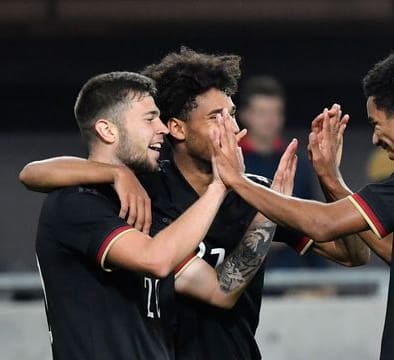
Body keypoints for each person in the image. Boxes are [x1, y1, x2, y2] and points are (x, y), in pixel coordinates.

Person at [20, 47, 369, 360]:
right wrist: (115, 174)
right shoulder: (146, 192)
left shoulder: (255, 193)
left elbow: (352, 254)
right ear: (178, 129)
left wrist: (329, 180)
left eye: (232, 114)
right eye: (216, 117)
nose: (232, 127)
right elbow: (34, 173)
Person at [210, 49, 394, 360]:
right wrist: (333, 181)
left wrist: (237, 180)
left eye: (377, 123)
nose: (375, 138)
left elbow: (323, 224)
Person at [24, 71, 238, 359]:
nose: (161, 128)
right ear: (108, 130)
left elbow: (220, 290)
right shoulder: (75, 202)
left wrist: (265, 218)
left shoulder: (142, 206)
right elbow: (156, 260)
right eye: (150, 118)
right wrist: (220, 185)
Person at [238, 75, 333, 271]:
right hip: (238, 269)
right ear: (245, 114)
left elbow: (312, 221)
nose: (269, 120)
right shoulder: (230, 163)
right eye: (261, 113)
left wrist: (323, 278)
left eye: (275, 113)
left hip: (290, 274)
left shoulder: (297, 163)